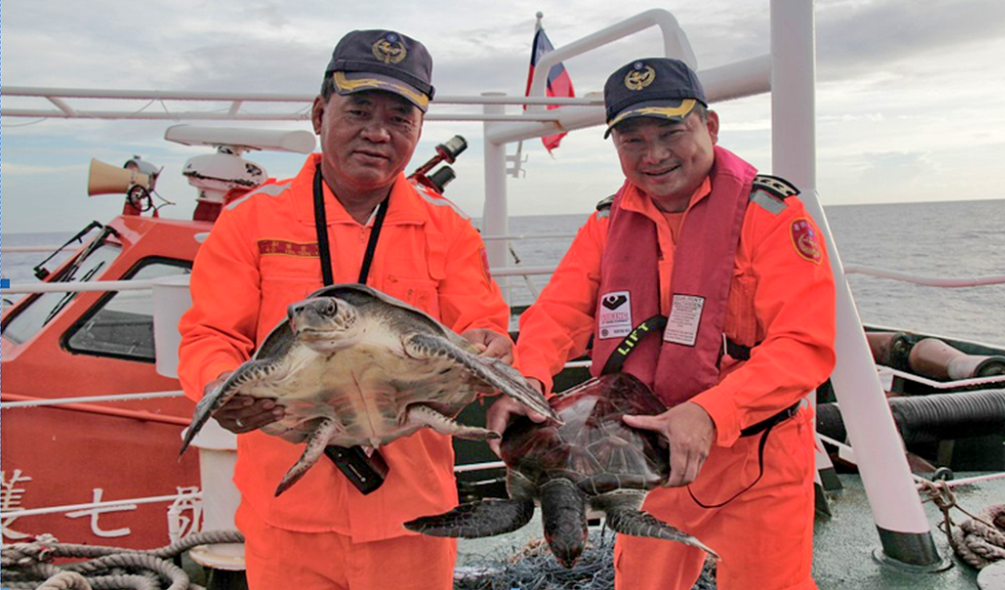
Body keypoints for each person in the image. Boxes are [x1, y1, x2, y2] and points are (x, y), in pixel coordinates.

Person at [178, 30, 513, 590]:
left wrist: (492, 347)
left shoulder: (446, 226)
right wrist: (223, 390)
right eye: (359, 110)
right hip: (287, 512)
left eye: (401, 119)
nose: (378, 133)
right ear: (319, 112)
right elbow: (209, 335)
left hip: (415, 512)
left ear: (418, 130)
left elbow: (481, 324)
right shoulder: (249, 222)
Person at [488, 57, 836, 590]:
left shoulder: (770, 214)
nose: (653, 155)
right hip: (641, 458)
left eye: (671, 132)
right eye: (632, 140)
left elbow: (803, 344)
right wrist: (527, 380)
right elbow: (557, 313)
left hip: (758, 457)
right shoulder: (607, 224)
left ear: (710, 126)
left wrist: (710, 412)